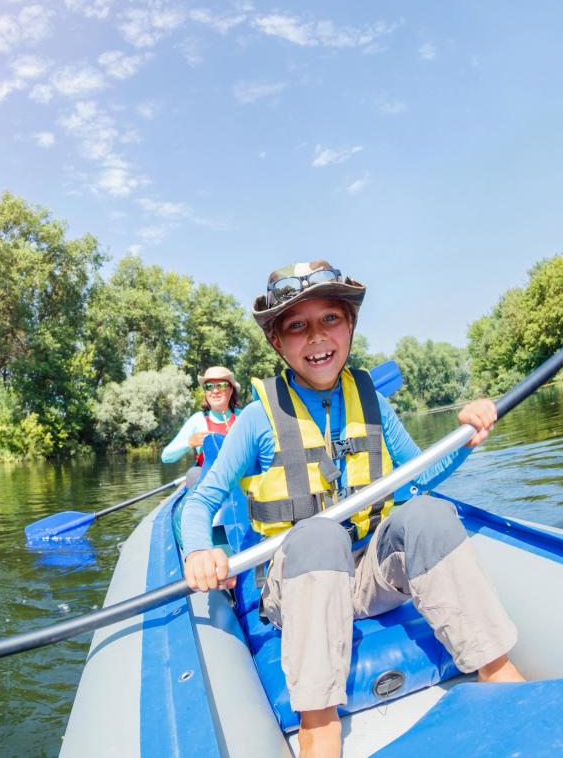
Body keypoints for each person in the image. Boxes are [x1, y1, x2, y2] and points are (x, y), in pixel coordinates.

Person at [180, 261, 523, 758]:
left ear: (350, 326)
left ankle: (495, 668)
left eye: (330, 320)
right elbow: (202, 502)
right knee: (319, 534)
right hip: (298, 587)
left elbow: (419, 476)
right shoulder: (257, 418)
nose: (316, 337)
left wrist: (466, 436)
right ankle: (319, 723)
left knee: (427, 513)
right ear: (278, 342)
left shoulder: (374, 404)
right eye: (297, 325)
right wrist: (199, 550)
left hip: (368, 577)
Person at [160, 366, 242, 481]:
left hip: (240, 479)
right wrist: (189, 443)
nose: (215, 391)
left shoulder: (243, 417)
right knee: (193, 474)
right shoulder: (197, 420)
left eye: (221, 385)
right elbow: (166, 457)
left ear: (231, 390)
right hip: (208, 484)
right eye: (209, 387)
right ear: (205, 392)